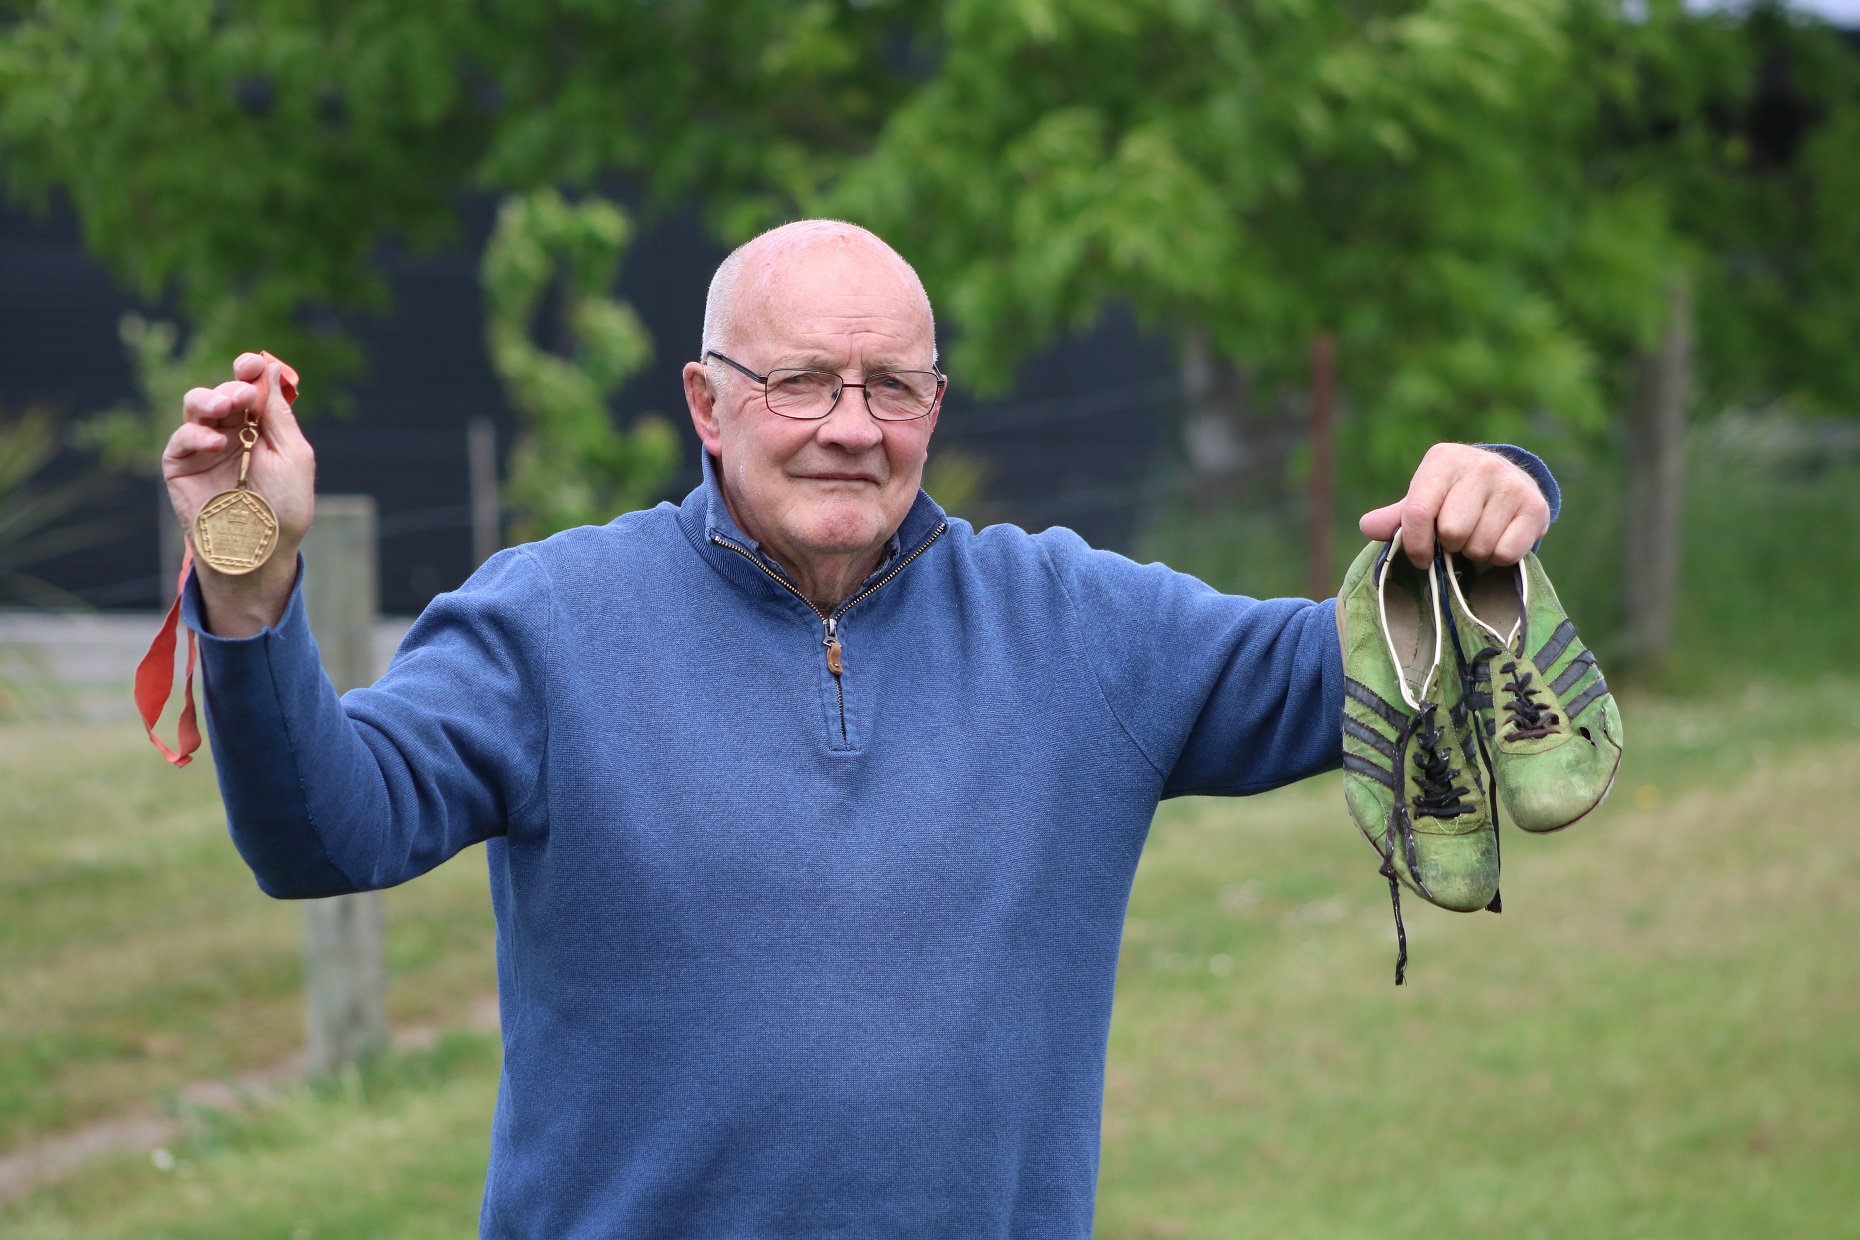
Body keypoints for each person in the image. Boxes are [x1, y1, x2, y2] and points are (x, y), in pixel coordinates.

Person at [164, 220, 1555, 1239]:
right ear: (708, 405)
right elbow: (318, 833)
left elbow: (1382, 662)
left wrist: (1493, 506)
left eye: (892, 387)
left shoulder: (1082, 628)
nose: (851, 425)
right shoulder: (549, 624)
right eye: (801, 382)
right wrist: (245, 571)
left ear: (935, 408)